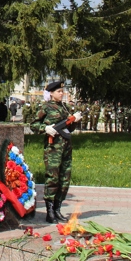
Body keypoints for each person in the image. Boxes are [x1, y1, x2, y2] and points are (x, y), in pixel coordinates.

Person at [31, 80, 80, 223]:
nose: (61, 93)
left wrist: (75, 120)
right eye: (59, 91)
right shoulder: (45, 107)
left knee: (64, 178)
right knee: (52, 177)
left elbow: (68, 129)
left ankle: (58, 209)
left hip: (66, 148)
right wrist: (45, 129)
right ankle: (50, 211)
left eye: (62, 91)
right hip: (53, 149)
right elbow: (33, 124)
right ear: (51, 93)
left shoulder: (64, 108)